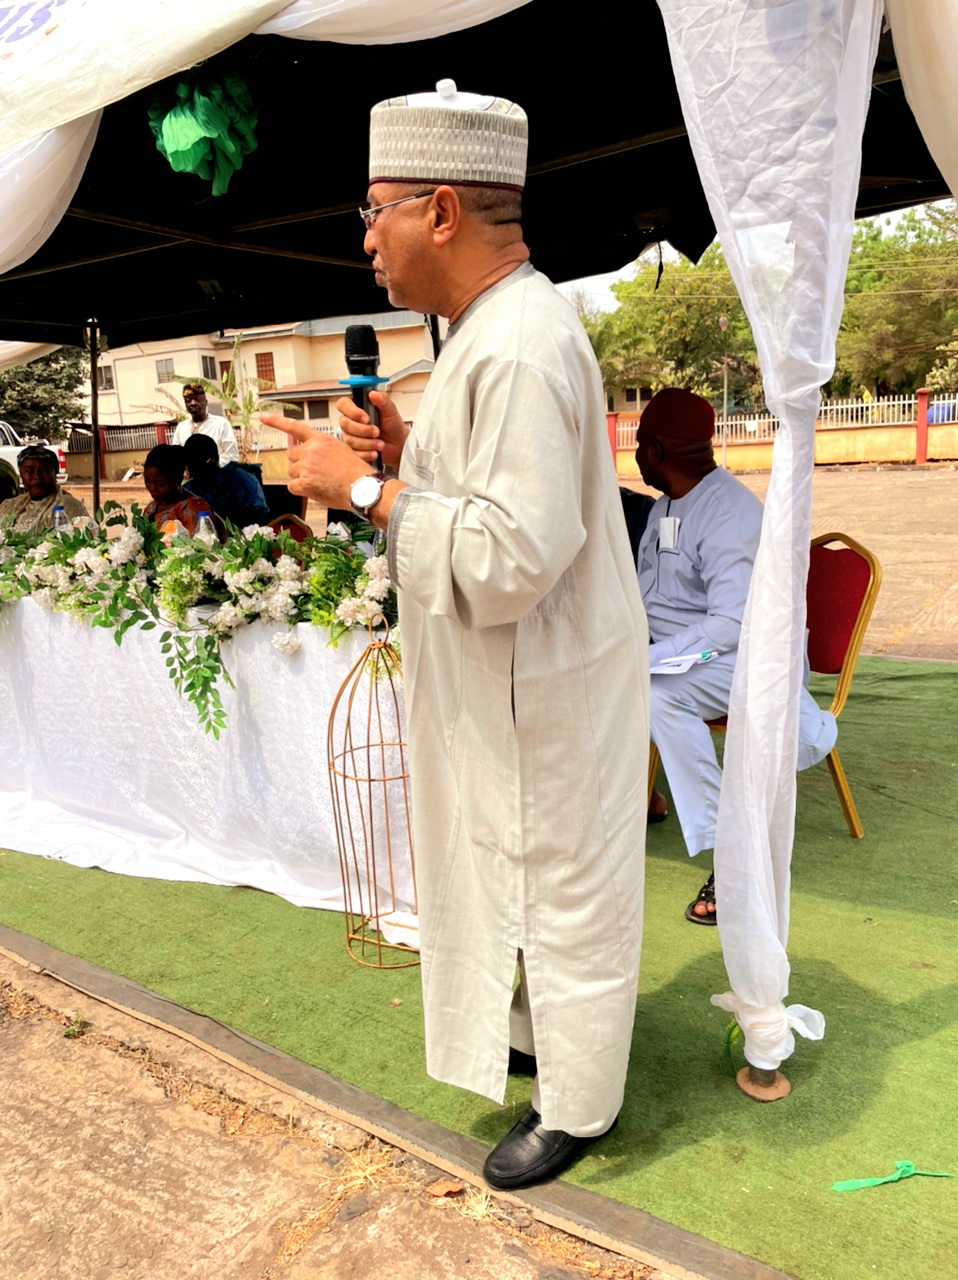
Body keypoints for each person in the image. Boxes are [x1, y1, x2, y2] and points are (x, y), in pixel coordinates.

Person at [261, 80, 648, 1191]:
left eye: (373, 211)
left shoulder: (518, 341)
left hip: (545, 682)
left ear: (438, 209)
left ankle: (580, 1102)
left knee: (560, 883)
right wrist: (394, 445)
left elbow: (511, 555)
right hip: (509, 681)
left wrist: (366, 491)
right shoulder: (493, 330)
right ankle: (536, 1039)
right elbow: (481, 489)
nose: (366, 239)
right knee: (507, 863)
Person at [634, 388, 837, 924]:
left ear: (655, 450)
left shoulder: (730, 515)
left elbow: (732, 623)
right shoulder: (665, 507)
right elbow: (647, 596)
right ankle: (641, 798)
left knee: (656, 695)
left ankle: (734, 856)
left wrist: (650, 660)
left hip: (742, 656)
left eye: (637, 445)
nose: (634, 456)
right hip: (679, 653)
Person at [182, 434, 271, 530]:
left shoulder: (238, 478)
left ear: (214, 459)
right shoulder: (188, 489)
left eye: (198, 465)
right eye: (189, 466)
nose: (194, 472)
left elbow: (261, 518)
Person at [0, 445, 90, 532]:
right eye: (29, 471)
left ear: (55, 473)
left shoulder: (68, 506)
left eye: (44, 470)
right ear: (21, 474)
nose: (37, 476)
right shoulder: (9, 505)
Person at [142, 444, 224, 538]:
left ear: (177, 480)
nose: (152, 488)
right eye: (147, 481)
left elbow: (201, 547)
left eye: (160, 484)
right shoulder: (151, 508)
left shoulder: (194, 509)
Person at [171, 383, 239, 463]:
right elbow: (175, 457)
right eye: (188, 400)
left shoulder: (221, 424)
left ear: (206, 402)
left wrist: (209, 466)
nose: (193, 403)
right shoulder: (181, 427)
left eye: (197, 399)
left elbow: (232, 456)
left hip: (217, 474)